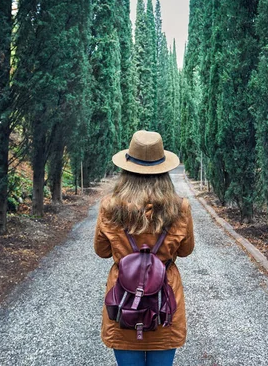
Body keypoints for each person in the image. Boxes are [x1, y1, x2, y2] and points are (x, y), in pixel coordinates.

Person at [94, 130, 195, 366]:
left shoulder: (109, 207)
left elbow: (101, 251)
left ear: (126, 168)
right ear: (164, 170)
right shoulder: (180, 208)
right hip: (165, 306)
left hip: (123, 304)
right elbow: (185, 250)